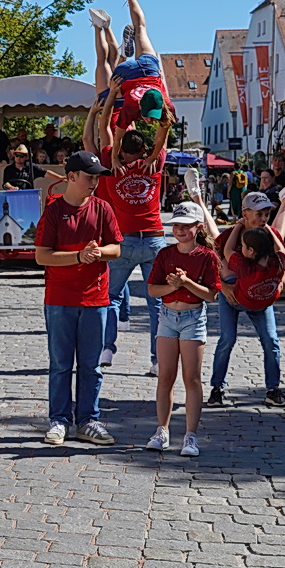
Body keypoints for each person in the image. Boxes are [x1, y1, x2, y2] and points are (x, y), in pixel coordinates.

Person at [85, 78, 176, 375]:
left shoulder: (113, 167)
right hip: (153, 241)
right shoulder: (153, 165)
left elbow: (103, 132)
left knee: (109, 299)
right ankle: (156, 360)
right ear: (145, 149)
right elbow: (164, 131)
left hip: (123, 244)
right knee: (156, 306)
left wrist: (110, 97)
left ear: (121, 151)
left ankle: (107, 349)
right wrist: (160, 104)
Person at [33, 150, 121, 447]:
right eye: (89, 177)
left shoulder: (103, 209)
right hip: (59, 299)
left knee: (91, 365)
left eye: (97, 177)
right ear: (71, 177)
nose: (95, 182)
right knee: (60, 364)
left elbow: (116, 249)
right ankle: (59, 420)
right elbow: (42, 256)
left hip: (96, 299)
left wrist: (98, 253)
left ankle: (88, 420)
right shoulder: (54, 212)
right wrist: (79, 256)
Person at [208, 193, 285, 409]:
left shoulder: (269, 235)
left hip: (259, 300)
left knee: (271, 341)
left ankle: (273, 389)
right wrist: (223, 286)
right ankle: (217, 388)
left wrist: (280, 283)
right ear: (245, 214)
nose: (263, 218)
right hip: (232, 297)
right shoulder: (231, 236)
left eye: (267, 214)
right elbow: (214, 260)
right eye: (258, 214)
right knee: (227, 339)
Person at [145, 203, 218, 458]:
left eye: (186, 226)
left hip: (193, 318)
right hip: (166, 316)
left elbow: (211, 295)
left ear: (198, 228)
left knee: (192, 378)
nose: (180, 230)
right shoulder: (165, 254)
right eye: (176, 225)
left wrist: (186, 282)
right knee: (165, 376)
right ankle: (162, 430)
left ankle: (190, 435)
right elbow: (153, 290)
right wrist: (173, 286)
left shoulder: (207, 256)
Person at [88, 0, 173, 132]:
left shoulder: (138, 117)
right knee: (103, 62)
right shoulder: (123, 130)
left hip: (144, 76)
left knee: (140, 29)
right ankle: (99, 26)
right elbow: (104, 130)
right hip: (110, 101)